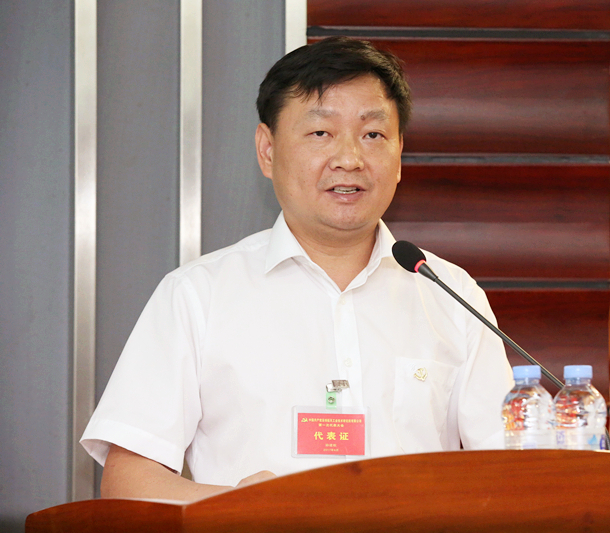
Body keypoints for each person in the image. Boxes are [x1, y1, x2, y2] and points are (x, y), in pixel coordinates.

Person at [81, 37, 513, 502]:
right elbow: (128, 479)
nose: (349, 159)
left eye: (373, 135)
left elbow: (515, 470)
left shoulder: (451, 295)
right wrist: (241, 508)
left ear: (399, 154)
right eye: (320, 133)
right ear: (267, 150)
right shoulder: (198, 294)